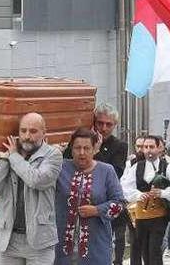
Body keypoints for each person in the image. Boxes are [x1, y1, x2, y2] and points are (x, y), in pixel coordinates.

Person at [0, 112, 63, 264]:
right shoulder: (9, 154)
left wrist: (13, 157)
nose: (27, 136)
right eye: (23, 130)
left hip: (39, 241)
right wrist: (3, 159)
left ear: (44, 133)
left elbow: (37, 180)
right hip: (7, 239)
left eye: (33, 131)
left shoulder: (53, 155)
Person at [61, 103, 129, 265]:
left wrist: (96, 152)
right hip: (66, 233)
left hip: (97, 226)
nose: (103, 128)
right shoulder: (77, 143)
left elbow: (116, 176)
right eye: (100, 123)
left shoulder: (119, 147)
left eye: (108, 124)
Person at [120, 134, 170, 265]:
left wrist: (163, 193)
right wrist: (138, 195)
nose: (148, 150)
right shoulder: (136, 167)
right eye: (145, 147)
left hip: (159, 215)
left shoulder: (167, 167)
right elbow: (125, 187)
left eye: (151, 147)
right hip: (141, 216)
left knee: (155, 249)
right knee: (144, 249)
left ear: (158, 149)